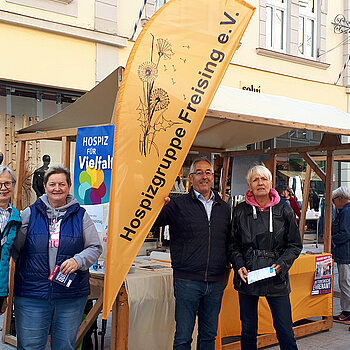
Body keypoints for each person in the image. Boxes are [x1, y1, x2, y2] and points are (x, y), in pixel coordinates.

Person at [12, 164, 102, 350]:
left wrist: (78, 260)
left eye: (62, 184)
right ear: (45, 186)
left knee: (64, 346)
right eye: (52, 184)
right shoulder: (29, 213)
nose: (57, 188)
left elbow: (94, 247)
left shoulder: (81, 216)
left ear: (69, 186)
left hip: (70, 295)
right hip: (32, 294)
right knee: (30, 346)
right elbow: (15, 249)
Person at [154, 157, 231, 350]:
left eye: (208, 173)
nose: (204, 177)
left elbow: (231, 242)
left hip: (215, 282)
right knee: (183, 337)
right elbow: (152, 221)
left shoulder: (224, 208)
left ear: (213, 177)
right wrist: (157, 204)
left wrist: (228, 269)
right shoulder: (177, 205)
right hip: (187, 281)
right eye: (199, 172)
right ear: (190, 178)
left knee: (208, 337)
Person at [228, 165, 302, 350]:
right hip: (248, 274)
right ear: (249, 185)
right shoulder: (239, 211)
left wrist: (281, 264)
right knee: (248, 330)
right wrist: (239, 265)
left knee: (285, 330)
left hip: (276, 275)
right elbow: (233, 244)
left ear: (271, 183)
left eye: (264, 179)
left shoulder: (284, 210)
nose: (260, 183)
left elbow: (294, 245)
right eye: (255, 180)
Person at [0, 166, 21, 315]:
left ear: (13, 185)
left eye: (7, 183)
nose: (3, 188)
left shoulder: (16, 217)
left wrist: (5, 293)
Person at [332, 186, 350, 323]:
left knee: (345, 282)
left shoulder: (345, 212)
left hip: (345, 253)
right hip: (346, 252)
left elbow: (345, 233)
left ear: (339, 199)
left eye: (334, 201)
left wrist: (331, 239)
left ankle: (347, 312)